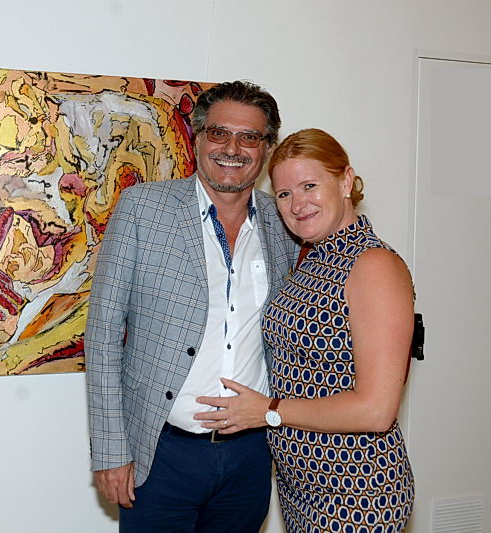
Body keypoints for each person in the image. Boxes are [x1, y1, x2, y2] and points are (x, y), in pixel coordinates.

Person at [85, 81, 299, 531]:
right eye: (219, 133)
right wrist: (110, 451)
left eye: (249, 137)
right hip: (162, 455)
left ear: (266, 149)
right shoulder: (143, 208)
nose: (232, 149)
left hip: (251, 457)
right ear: (198, 139)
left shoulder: (284, 221)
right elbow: (102, 334)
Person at [195, 128, 415, 531]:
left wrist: (268, 411)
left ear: (346, 182)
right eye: (284, 194)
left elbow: (376, 410)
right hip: (303, 485)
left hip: (357, 489)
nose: (297, 204)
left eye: (310, 186)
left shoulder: (373, 265)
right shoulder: (311, 257)